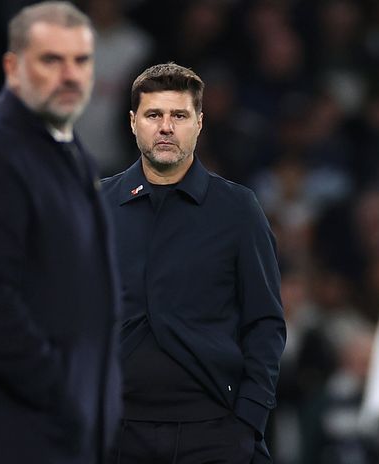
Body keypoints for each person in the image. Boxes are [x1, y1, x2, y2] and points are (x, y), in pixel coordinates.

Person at [0, 2, 121, 463]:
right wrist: (60, 392)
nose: (70, 75)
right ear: (13, 68)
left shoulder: (68, 151)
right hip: (11, 437)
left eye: (81, 60)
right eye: (51, 60)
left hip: (62, 435)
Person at [102, 63, 286, 463]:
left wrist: (248, 422)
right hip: (114, 436)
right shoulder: (96, 207)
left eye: (179, 115)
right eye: (154, 114)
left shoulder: (237, 209)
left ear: (199, 123)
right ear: (133, 122)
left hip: (214, 435)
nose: (165, 127)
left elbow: (265, 323)